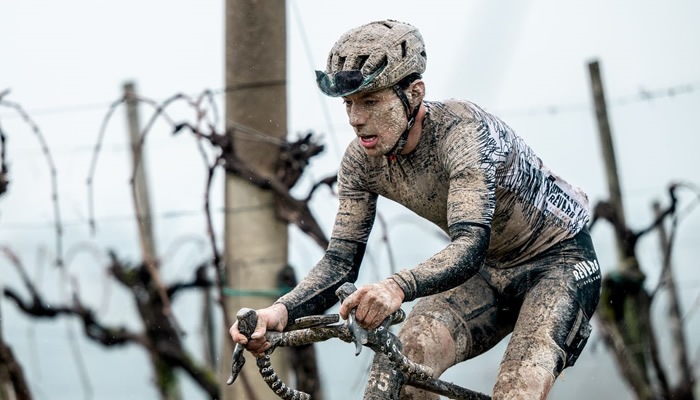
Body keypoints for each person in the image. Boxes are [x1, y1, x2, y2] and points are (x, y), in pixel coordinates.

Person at [230, 19, 601, 399]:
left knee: (517, 388)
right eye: (348, 103)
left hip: (559, 262)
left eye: (371, 101)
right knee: (403, 363)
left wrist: (397, 287)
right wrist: (280, 313)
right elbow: (340, 262)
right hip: (485, 275)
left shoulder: (463, 132)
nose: (356, 119)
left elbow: (471, 244)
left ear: (414, 93)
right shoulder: (360, 162)